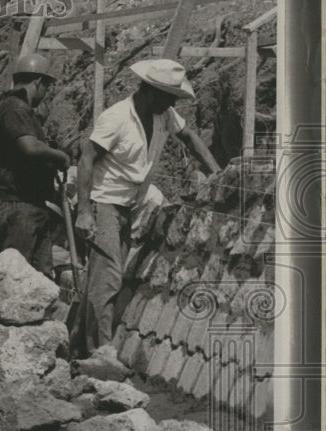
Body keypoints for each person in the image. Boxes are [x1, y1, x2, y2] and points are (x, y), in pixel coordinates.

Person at [73, 59, 220, 356]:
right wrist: (85, 211)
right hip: (104, 202)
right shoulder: (117, 117)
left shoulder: (163, 114)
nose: (172, 104)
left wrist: (217, 173)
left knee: (100, 278)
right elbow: (86, 158)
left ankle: (76, 344)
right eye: (168, 97)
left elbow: (189, 137)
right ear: (150, 91)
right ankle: (101, 352)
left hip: (130, 205)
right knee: (109, 277)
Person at [0, 54, 69, 276]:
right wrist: (59, 156)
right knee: (14, 278)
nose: (45, 93)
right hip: (19, 209)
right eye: (46, 87)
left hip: (30, 208)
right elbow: (29, 146)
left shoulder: (11, 108)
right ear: (38, 82)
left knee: (41, 277)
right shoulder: (16, 108)